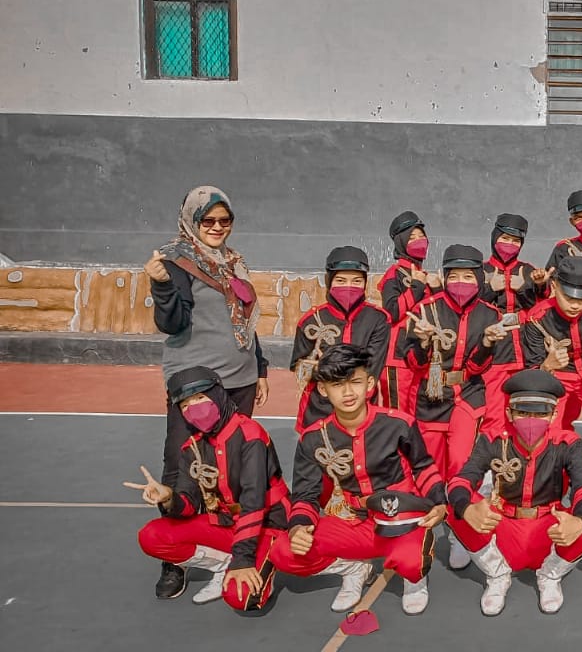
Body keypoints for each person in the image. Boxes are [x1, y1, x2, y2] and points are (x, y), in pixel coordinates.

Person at [144, 184, 270, 599]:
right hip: (194, 384)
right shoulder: (175, 260)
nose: (217, 227)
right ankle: (174, 560)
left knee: (235, 471)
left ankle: (231, 552)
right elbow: (171, 323)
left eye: (224, 220)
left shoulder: (233, 262)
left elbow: (244, 322)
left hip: (239, 379)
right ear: (191, 220)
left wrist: (260, 367)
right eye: (208, 220)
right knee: (182, 467)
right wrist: (162, 286)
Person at [270, 345, 448, 615]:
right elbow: (305, 494)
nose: (348, 392)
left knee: (411, 563)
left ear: (370, 384)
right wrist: (298, 529)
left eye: (355, 382)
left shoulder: (398, 424)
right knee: (284, 551)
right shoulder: (313, 438)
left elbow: (423, 467)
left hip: (399, 519)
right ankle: (353, 568)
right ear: (322, 390)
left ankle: (414, 579)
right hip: (352, 519)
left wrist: (439, 502)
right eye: (337, 385)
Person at [129, 366, 290, 611]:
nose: (193, 408)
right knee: (152, 536)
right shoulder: (192, 447)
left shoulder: (250, 434)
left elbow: (253, 501)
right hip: (224, 523)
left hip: (267, 525)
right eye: (185, 405)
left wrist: (243, 560)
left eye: (199, 398)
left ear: (218, 395)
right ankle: (223, 564)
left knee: (243, 597)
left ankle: (255, 559)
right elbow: (189, 504)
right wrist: (169, 498)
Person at [447, 369, 582, 615]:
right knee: (455, 507)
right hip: (503, 527)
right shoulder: (493, 439)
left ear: (553, 415)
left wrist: (579, 520)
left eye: (540, 413)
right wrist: (466, 509)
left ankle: (550, 575)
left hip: (548, 530)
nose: (531, 420)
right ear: (509, 413)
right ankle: (497, 574)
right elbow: (462, 479)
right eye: (522, 412)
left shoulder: (567, 443)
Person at [402, 244, 507, 570]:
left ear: (479, 278)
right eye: (454, 276)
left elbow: (477, 368)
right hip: (430, 398)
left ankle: (460, 533)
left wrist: (486, 343)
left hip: (468, 397)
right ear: (444, 277)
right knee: (430, 469)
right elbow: (412, 362)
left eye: (468, 276)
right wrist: (422, 342)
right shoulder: (425, 310)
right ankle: (424, 529)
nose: (461, 283)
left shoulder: (490, 315)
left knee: (462, 466)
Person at [521, 257, 582, 537]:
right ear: (554, 287)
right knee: (551, 439)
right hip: (557, 377)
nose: (576, 304)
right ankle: (552, 505)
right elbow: (530, 369)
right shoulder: (537, 318)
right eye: (569, 297)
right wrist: (547, 366)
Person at [291, 246, 391, 432]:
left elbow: (373, 365)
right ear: (329, 282)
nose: (349, 286)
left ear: (365, 283)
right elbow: (298, 366)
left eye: (357, 281)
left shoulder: (379, 319)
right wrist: (312, 368)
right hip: (319, 407)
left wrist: (327, 366)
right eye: (341, 280)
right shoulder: (311, 321)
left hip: (362, 406)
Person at [478, 213, 548, 437]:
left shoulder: (529, 271)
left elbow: (543, 310)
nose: (509, 245)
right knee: (493, 412)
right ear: (494, 237)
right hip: (495, 354)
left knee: (524, 412)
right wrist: (490, 289)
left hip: (526, 352)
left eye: (515, 241)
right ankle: (491, 454)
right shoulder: (480, 271)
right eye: (505, 239)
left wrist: (528, 288)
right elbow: (470, 310)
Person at [376, 211, 440, 412]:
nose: (419, 241)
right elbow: (392, 312)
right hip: (398, 357)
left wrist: (438, 289)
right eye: (412, 237)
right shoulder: (394, 273)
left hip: (421, 354)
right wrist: (417, 287)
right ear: (401, 242)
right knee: (397, 413)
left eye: (422, 236)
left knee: (414, 413)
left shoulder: (425, 275)